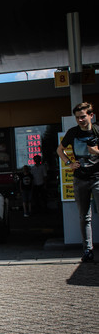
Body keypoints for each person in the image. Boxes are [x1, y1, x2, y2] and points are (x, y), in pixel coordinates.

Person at [56, 102, 99, 262]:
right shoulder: (73, 133)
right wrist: (69, 164)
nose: (80, 120)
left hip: (97, 177)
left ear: (91, 116)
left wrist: (96, 151)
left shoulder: (97, 130)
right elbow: (60, 150)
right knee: (84, 216)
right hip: (80, 179)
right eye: (77, 118)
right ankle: (87, 250)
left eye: (83, 117)